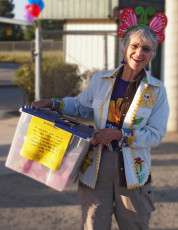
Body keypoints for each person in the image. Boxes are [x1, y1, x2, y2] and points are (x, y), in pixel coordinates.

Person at [31, 6, 169, 230]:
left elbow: (155, 134)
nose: (139, 53)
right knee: (93, 223)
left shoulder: (156, 90)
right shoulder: (101, 80)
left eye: (146, 48)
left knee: (135, 223)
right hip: (96, 167)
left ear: (152, 54)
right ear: (125, 48)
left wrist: (118, 135)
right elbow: (81, 106)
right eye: (134, 46)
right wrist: (53, 103)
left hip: (132, 172)